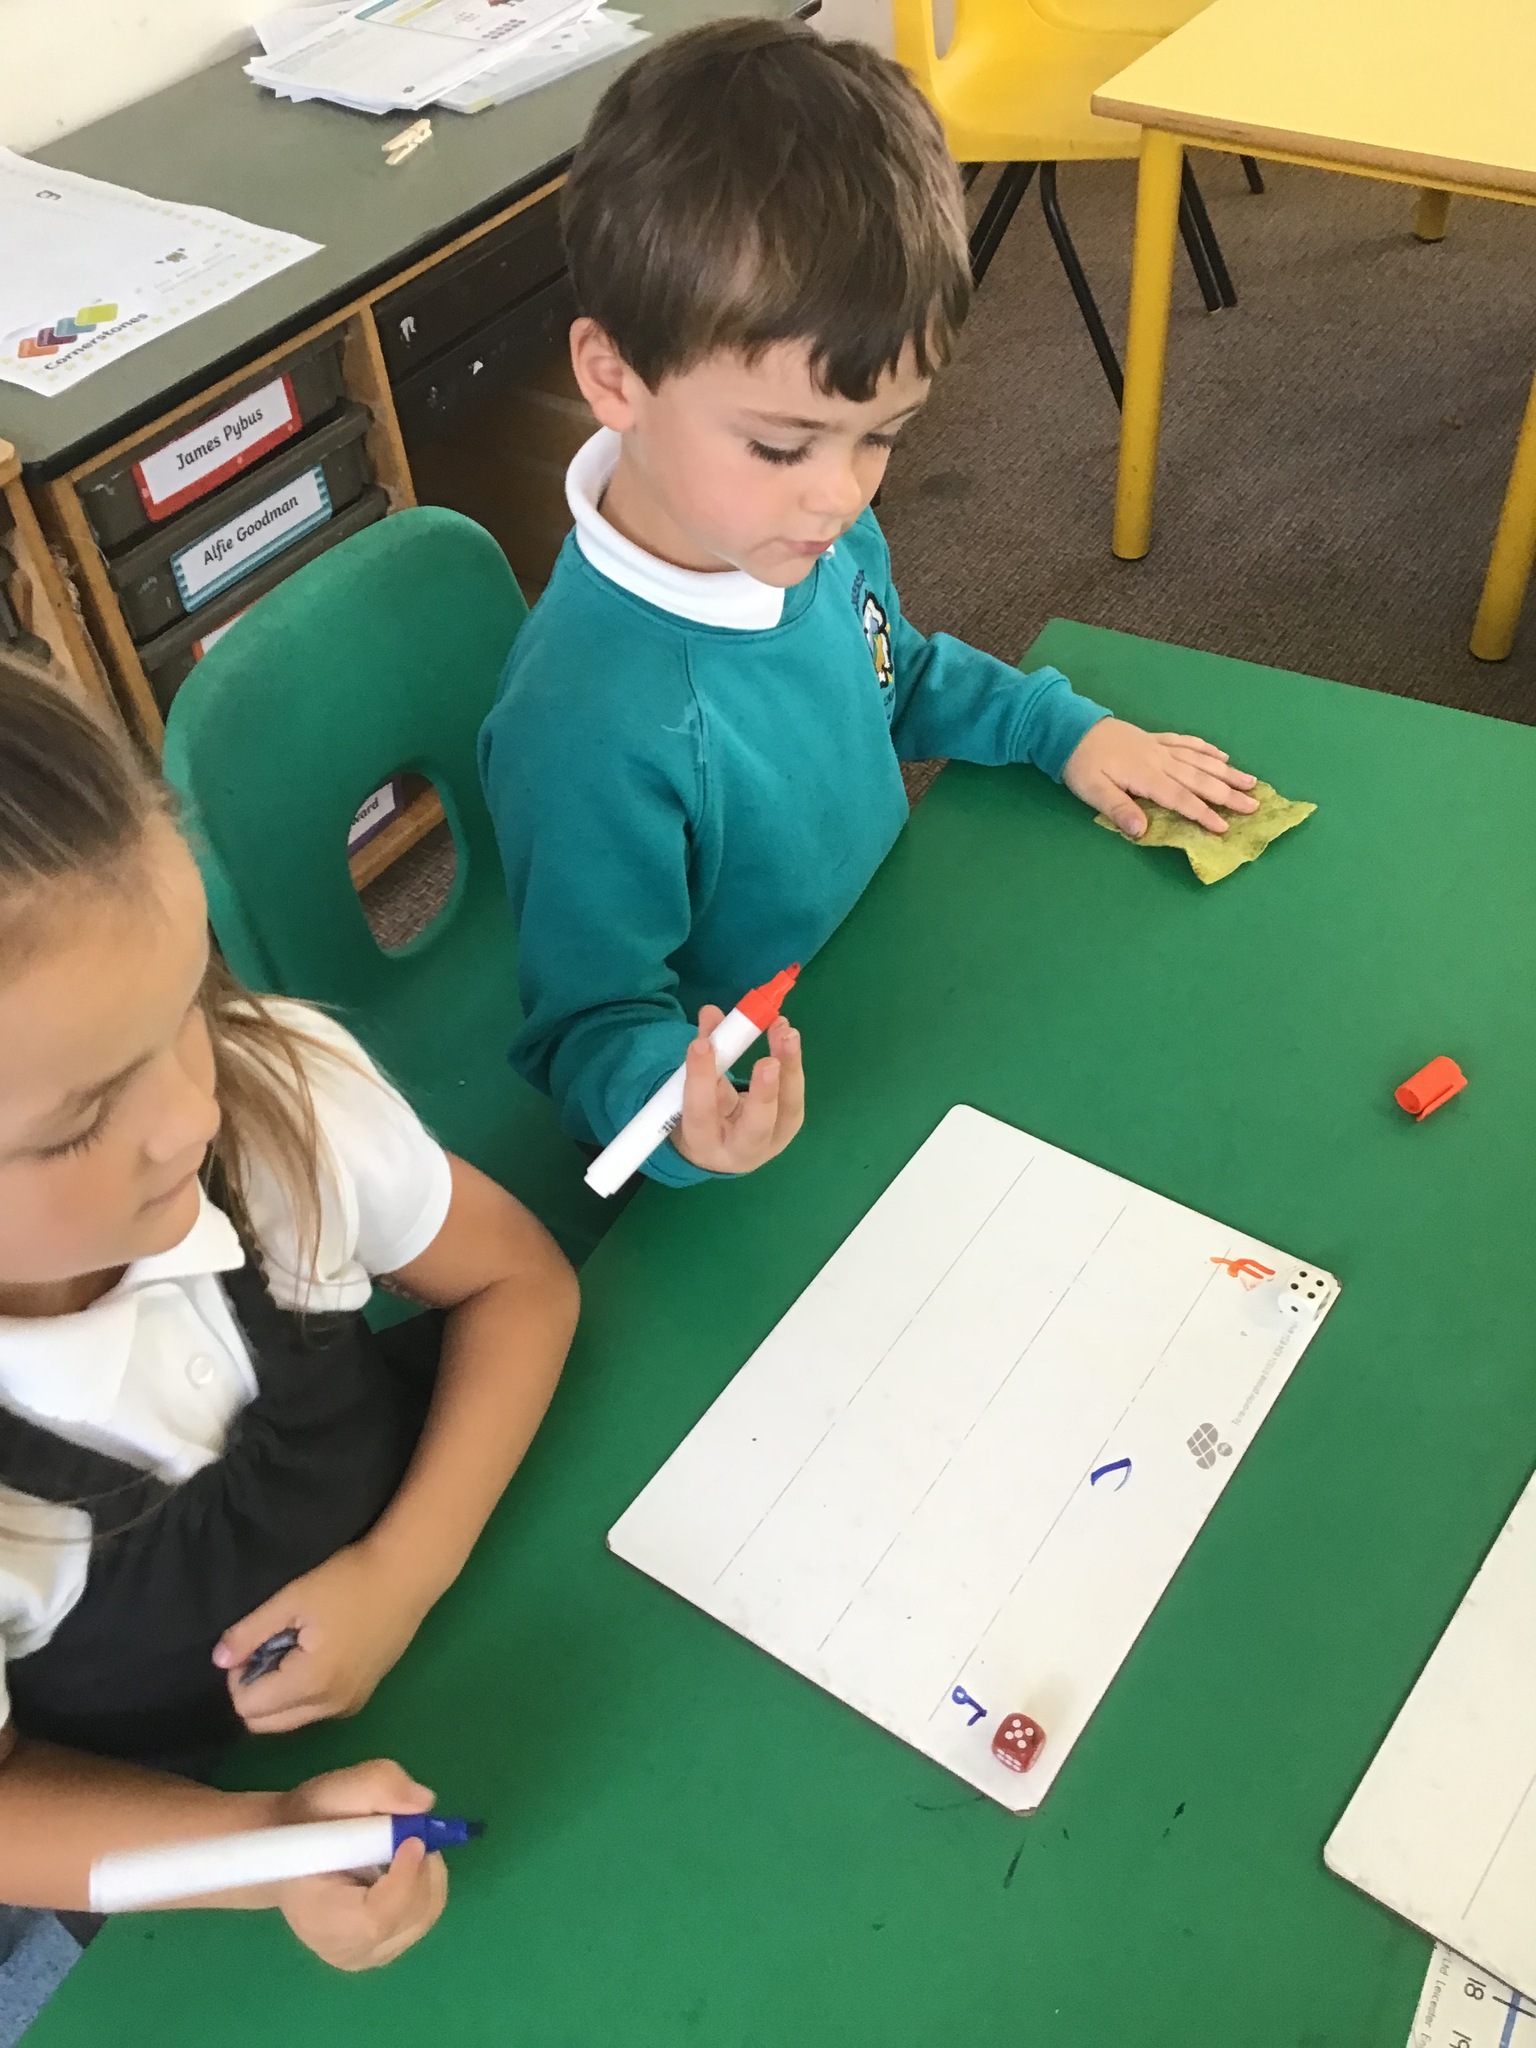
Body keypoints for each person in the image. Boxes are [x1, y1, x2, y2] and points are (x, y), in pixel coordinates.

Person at [478, 17, 1258, 1193]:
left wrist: (1060, 728)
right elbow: (589, 1025)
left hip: (891, 971)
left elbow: (895, 676)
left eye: (881, 436)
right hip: (768, 1121)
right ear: (614, 378)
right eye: (781, 444)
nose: (840, 494)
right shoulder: (586, 723)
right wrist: (683, 1117)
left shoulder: (799, 532)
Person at [0, 651, 579, 1973]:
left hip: (489, 1609)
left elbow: (518, 1279)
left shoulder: (275, 1101)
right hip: (183, 1864)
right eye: (80, 1120)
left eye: (182, 1007)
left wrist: (404, 1572)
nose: (188, 1117)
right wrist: (263, 1846)